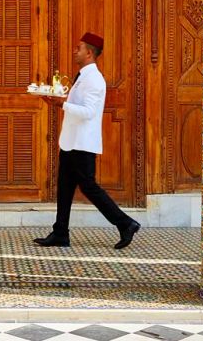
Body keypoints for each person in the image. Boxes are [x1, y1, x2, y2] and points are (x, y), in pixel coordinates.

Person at [34, 32, 140, 249]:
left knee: (89, 188)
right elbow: (78, 103)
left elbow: (89, 111)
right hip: (71, 142)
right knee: (64, 187)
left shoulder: (94, 79)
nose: (75, 50)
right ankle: (60, 232)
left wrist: (60, 105)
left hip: (82, 144)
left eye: (79, 48)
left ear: (89, 53)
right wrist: (59, 99)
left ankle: (126, 223)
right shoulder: (82, 76)